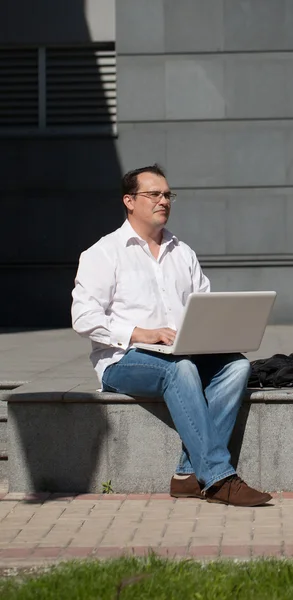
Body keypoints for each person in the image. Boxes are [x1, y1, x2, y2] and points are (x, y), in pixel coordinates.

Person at [71, 164, 271, 507]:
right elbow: (83, 317)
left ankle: (187, 476)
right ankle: (220, 477)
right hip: (122, 361)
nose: (164, 200)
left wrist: (216, 334)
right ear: (129, 201)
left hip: (182, 353)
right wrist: (141, 333)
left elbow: (205, 304)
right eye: (154, 194)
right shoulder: (103, 253)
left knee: (236, 366)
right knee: (180, 370)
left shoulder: (184, 253)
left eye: (168, 194)